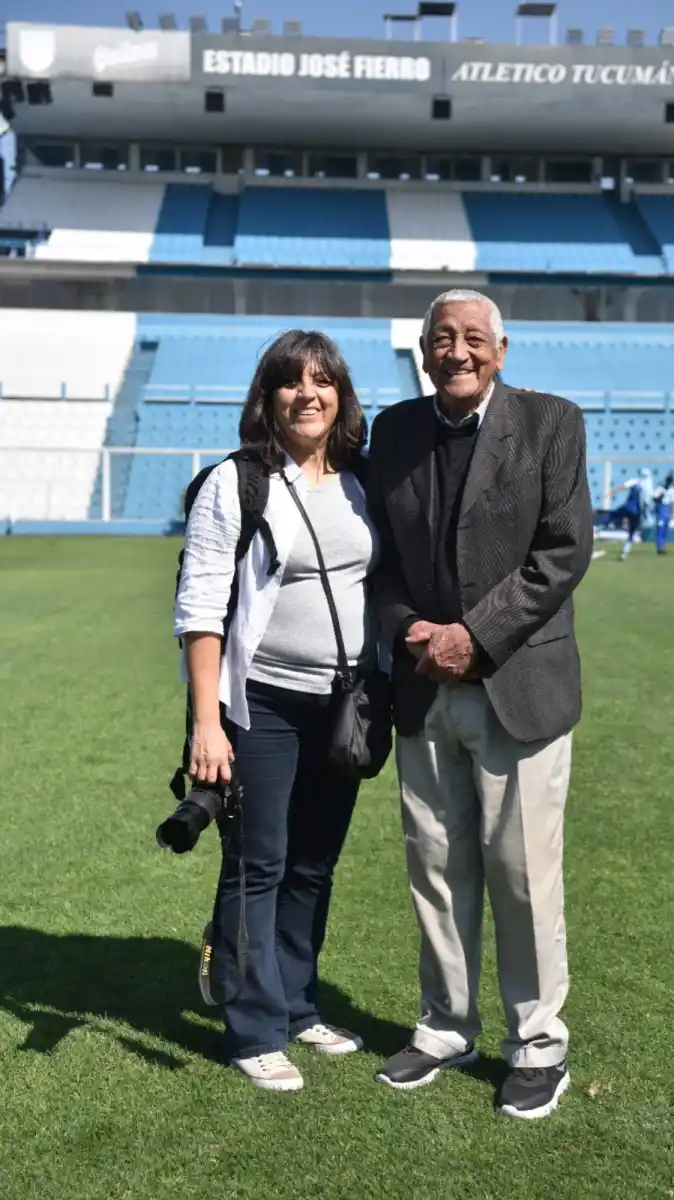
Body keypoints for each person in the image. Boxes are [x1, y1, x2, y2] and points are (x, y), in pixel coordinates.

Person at [367, 288, 593, 1120]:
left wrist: (474, 635)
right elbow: (379, 559)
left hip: (517, 686)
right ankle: (444, 1028)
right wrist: (410, 628)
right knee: (435, 867)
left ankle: (536, 1045)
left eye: (472, 338)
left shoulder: (551, 422)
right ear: (423, 350)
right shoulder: (394, 431)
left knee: (523, 875)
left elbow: (562, 552)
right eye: (441, 339)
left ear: (501, 349)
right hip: (423, 687)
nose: (456, 352)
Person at [173, 330, 378, 1092]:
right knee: (257, 864)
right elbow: (200, 606)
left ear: (341, 396)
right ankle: (253, 1030)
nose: (308, 394)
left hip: (344, 705)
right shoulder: (237, 482)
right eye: (291, 381)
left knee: (313, 865)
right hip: (259, 704)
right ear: (268, 397)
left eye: (323, 381)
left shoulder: (362, 478)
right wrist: (207, 721)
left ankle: (296, 1004)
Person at [602, 470, 650, 561]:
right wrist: (645, 514)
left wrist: (610, 492)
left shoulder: (634, 481)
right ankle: (625, 552)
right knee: (631, 532)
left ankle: (597, 528)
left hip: (627, 507)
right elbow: (646, 502)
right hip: (636, 512)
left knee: (612, 515)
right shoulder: (647, 486)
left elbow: (623, 486)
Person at [653, 473, 674, 555]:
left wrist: (672, 513)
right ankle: (659, 546)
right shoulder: (660, 489)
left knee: (665, 530)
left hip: (666, 510)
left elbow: (673, 503)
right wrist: (661, 496)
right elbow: (654, 498)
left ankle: (663, 545)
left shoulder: (672, 490)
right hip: (661, 509)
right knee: (660, 529)